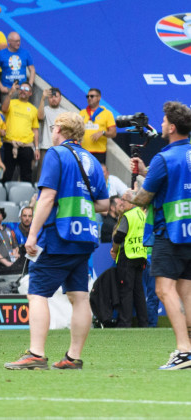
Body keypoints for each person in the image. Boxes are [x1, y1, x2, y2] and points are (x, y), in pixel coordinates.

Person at [5, 112, 109, 370]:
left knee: (37, 293)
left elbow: (47, 198)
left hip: (59, 234)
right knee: (80, 297)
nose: (51, 131)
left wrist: (31, 235)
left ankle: (36, 354)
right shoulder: (93, 161)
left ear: (60, 128)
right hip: (85, 235)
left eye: (53, 127)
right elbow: (105, 205)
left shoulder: (56, 154)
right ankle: (73, 357)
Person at [127, 101, 191, 369]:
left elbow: (143, 198)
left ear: (173, 127)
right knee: (186, 292)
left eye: (164, 121)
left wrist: (130, 195)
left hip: (170, 234)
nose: (161, 125)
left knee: (164, 290)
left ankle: (184, 351)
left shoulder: (164, 158)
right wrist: (145, 172)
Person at [111, 192, 148, 328]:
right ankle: (143, 322)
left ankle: (125, 323)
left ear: (132, 202)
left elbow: (119, 237)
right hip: (140, 256)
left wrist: (114, 249)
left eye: (124, 201)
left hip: (127, 256)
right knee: (139, 291)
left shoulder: (128, 216)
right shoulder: (141, 214)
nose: (121, 203)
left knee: (126, 290)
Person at [1, 82, 39, 182]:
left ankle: (25, 197)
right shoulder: (11, 102)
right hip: (10, 144)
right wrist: (10, 93)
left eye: (26, 89)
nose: (23, 91)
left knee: (26, 175)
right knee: (7, 174)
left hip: (26, 146)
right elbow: (4, 109)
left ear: (30, 93)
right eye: (21, 88)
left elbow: (35, 129)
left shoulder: (33, 109)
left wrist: (37, 148)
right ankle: (4, 196)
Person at [0, 205, 26, 275]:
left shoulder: (9, 230)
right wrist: (7, 263)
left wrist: (15, 259)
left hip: (14, 264)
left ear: (2, 216)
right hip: (0, 265)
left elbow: (15, 247)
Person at [79, 88, 116, 164]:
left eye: (92, 96)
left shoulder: (107, 113)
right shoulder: (82, 113)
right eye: (87, 96)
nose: (89, 98)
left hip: (99, 152)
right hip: (84, 151)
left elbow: (113, 133)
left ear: (99, 98)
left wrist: (102, 132)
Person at [36, 87, 66, 180]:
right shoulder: (45, 109)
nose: (53, 99)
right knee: (42, 173)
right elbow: (40, 117)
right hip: (46, 147)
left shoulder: (65, 113)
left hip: (60, 148)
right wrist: (42, 98)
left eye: (56, 96)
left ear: (60, 98)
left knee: (59, 173)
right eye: (51, 97)